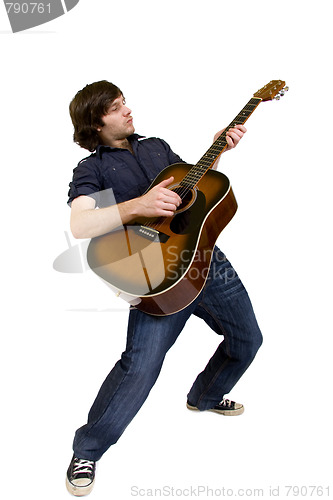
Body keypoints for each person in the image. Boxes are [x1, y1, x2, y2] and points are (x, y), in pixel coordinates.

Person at [66, 80, 263, 496]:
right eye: (117, 108)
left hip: (209, 262)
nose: (128, 111)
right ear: (95, 122)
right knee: (138, 370)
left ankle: (206, 396)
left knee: (248, 339)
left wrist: (217, 148)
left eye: (125, 103)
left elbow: (190, 183)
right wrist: (138, 205)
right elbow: (80, 224)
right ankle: (88, 449)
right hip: (158, 276)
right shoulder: (92, 169)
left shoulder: (156, 145)